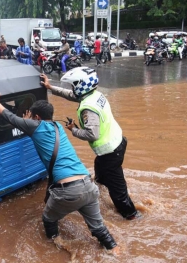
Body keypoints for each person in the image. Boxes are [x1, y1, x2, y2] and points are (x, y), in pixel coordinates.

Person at [0, 86, 117, 250]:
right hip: (88, 184)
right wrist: (29, 121)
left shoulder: (34, 126)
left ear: (37, 117)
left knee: (48, 218)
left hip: (68, 190)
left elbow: (9, 116)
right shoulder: (58, 128)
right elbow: (39, 132)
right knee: (98, 228)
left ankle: (55, 246)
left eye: (33, 117)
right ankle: (114, 249)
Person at [40, 69, 141, 220]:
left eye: (74, 85)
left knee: (118, 189)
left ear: (81, 85)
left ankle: (131, 215)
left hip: (110, 152)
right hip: (117, 142)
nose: (72, 89)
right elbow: (72, 95)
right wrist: (51, 87)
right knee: (100, 171)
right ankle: (100, 187)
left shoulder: (88, 108)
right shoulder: (95, 95)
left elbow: (92, 134)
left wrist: (73, 129)